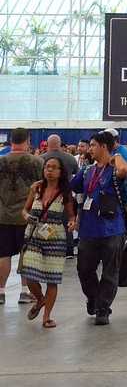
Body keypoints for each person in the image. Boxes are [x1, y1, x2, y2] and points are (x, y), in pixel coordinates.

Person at [70, 131, 127, 325]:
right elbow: (72, 186)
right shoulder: (87, 170)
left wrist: (118, 154)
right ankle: (94, 298)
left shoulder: (115, 167)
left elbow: (124, 172)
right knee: (84, 269)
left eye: (94, 145)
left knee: (110, 270)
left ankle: (103, 308)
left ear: (104, 147)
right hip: (88, 228)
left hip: (113, 228)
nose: (89, 149)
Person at [20, 156, 76, 328]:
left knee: (52, 279)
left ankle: (46, 316)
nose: (49, 170)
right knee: (29, 274)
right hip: (34, 235)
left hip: (55, 237)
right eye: (47, 167)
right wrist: (27, 216)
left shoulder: (65, 192)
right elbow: (24, 210)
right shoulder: (36, 188)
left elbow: (72, 214)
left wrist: (72, 222)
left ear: (60, 172)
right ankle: (40, 299)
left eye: (53, 167)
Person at [0, 127, 44, 306]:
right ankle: (25, 292)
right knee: (27, 254)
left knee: (3, 255)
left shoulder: (1, 161)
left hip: (3, 216)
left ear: (11, 141)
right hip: (27, 216)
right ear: (28, 141)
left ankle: (1, 292)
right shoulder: (37, 162)